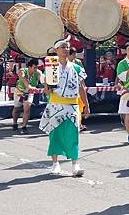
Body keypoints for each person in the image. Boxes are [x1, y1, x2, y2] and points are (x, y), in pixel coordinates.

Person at [39, 36, 89, 176]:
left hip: (72, 105)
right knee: (55, 134)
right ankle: (55, 163)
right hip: (56, 105)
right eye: (62, 47)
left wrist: (86, 105)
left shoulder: (77, 68)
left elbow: (81, 88)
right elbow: (47, 90)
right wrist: (47, 87)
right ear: (56, 50)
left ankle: (75, 164)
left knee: (73, 134)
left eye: (67, 47)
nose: (65, 50)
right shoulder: (51, 67)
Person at [12, 58, 42, 134]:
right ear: (29, 66)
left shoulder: (38, 73)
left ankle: (24, 126)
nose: (36, 69)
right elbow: (24, 79)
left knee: (27, 108)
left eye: (37, 67)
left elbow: (42, 80)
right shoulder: (22, 71)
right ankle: (14, 123)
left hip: (30, 93)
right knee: (16, 109)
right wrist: (29, 86)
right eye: (34, 67)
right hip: (20, 92)